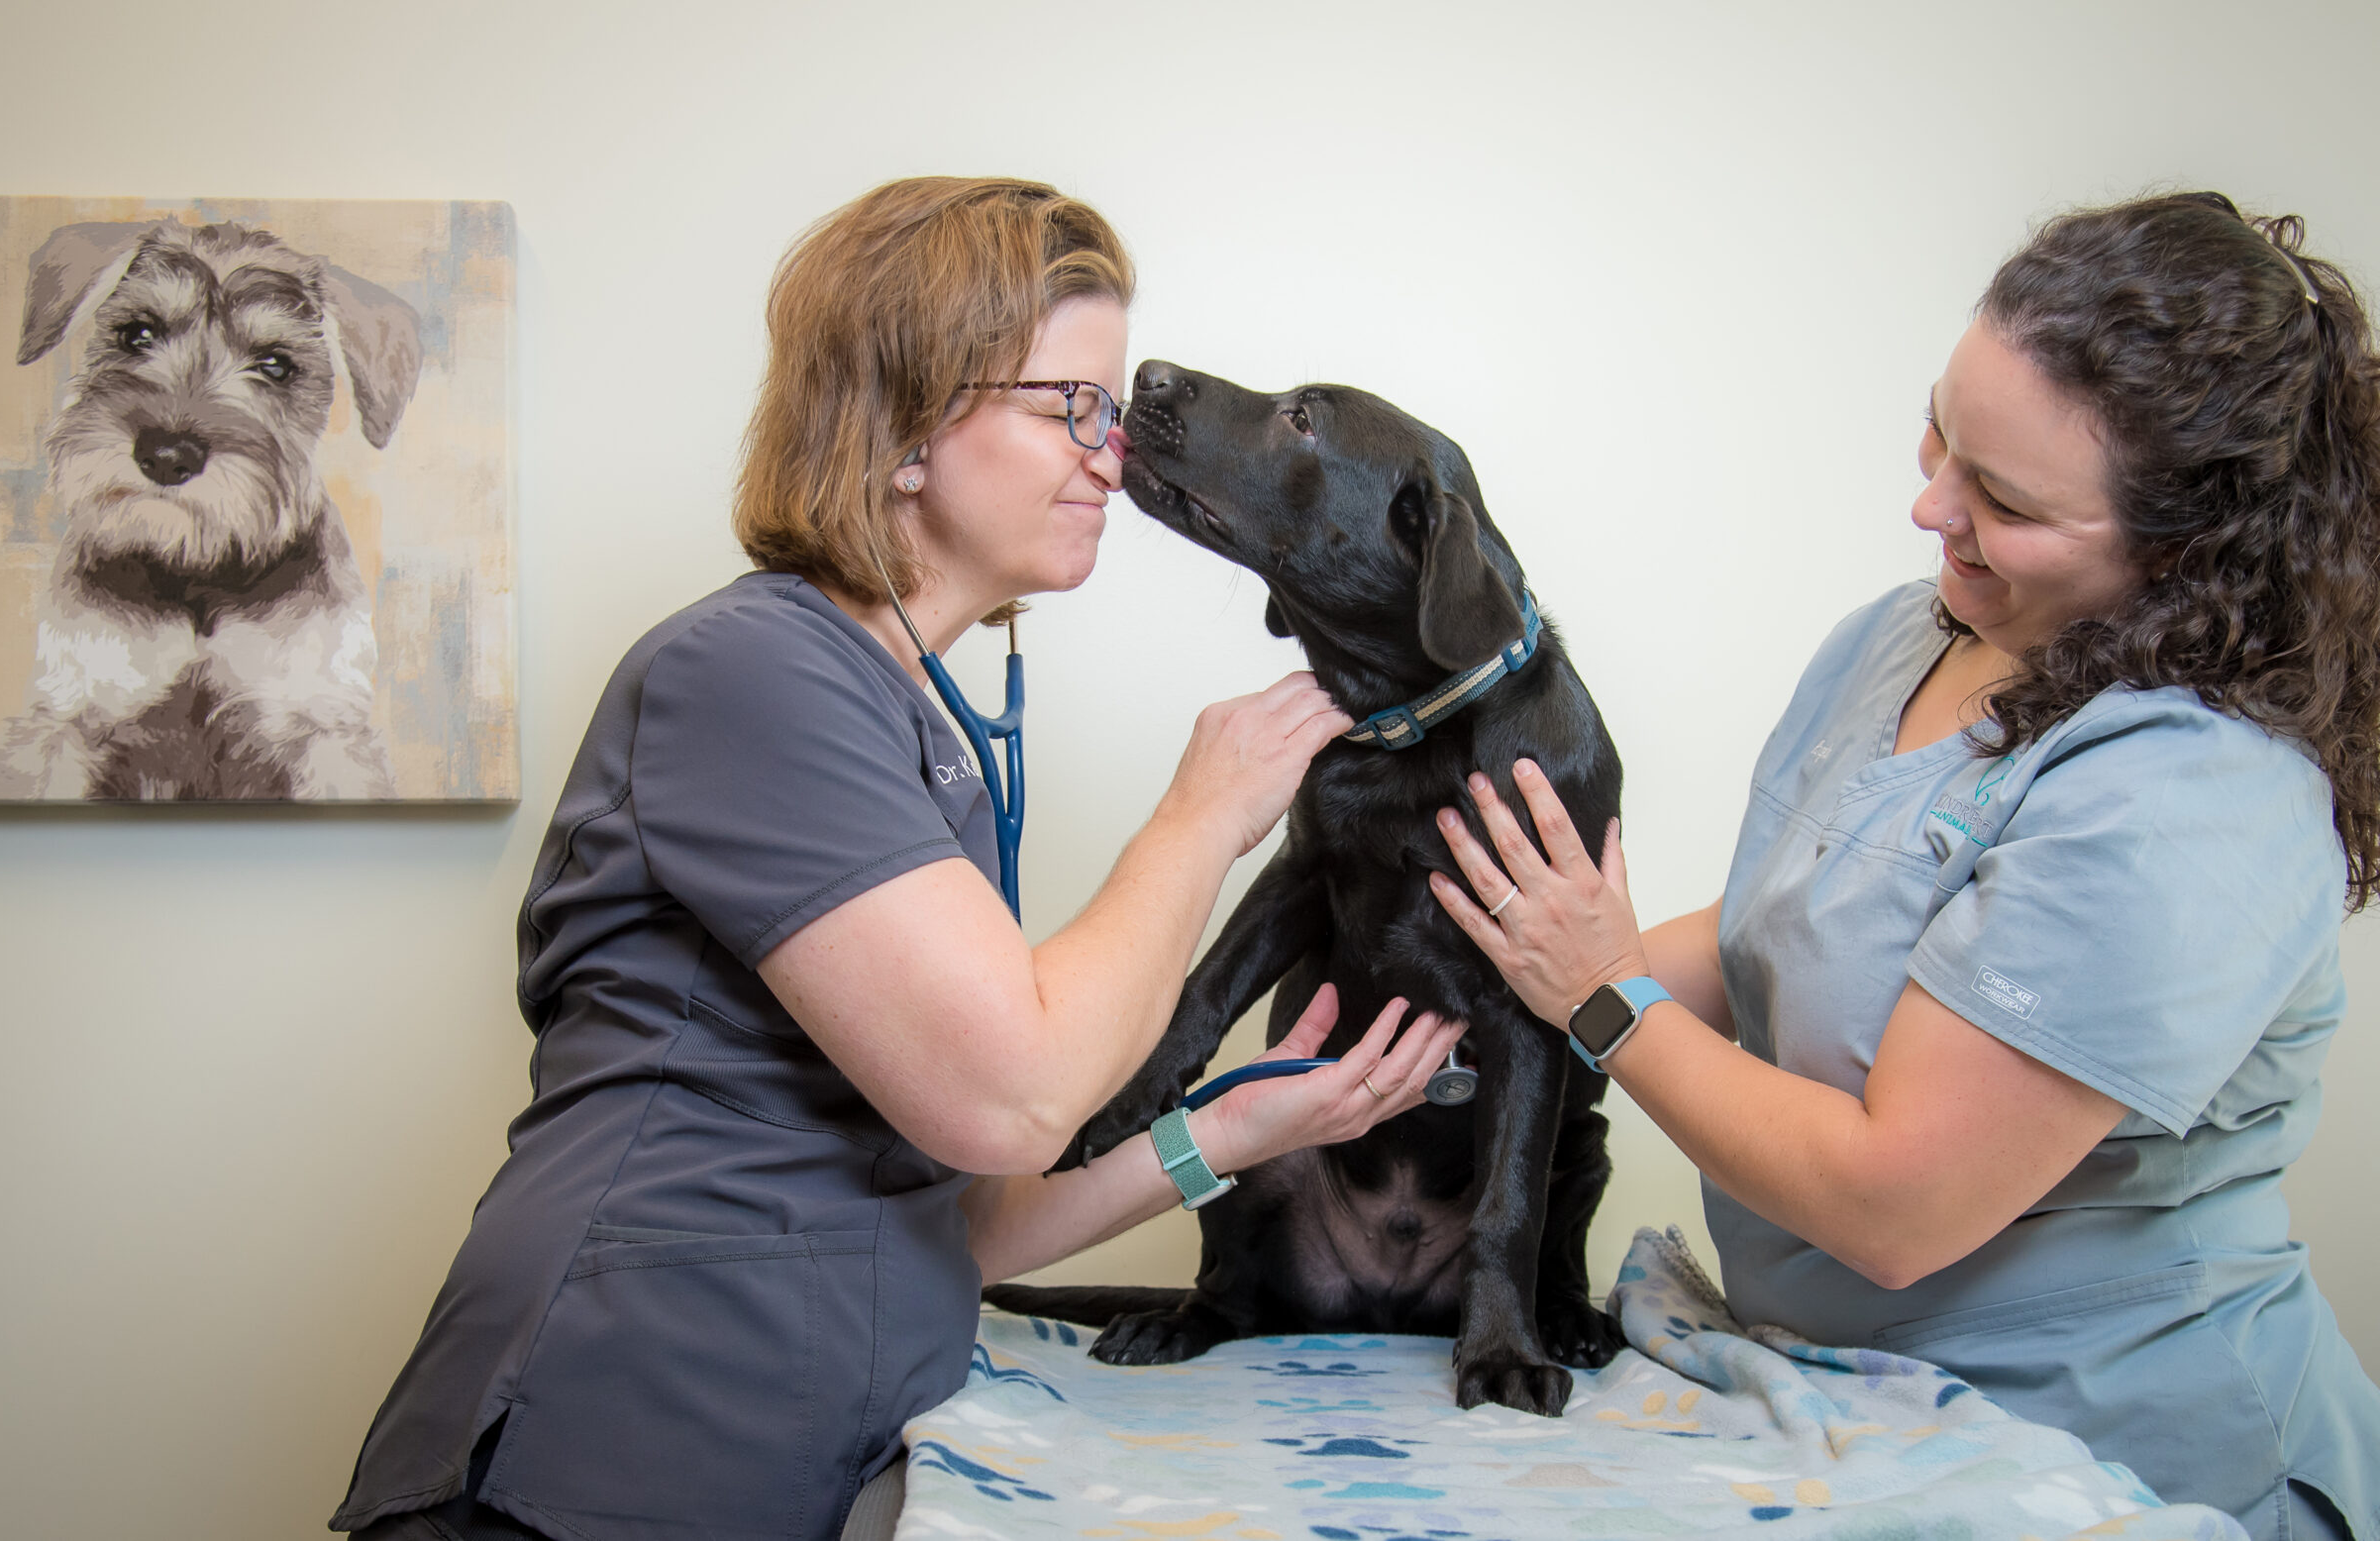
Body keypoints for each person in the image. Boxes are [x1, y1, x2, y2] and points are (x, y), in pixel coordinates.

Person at [329, 176, 1468, 1541]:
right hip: (604, 1452)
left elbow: (957, 1228)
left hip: (795, 1458)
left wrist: (1240, 1128)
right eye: (1073, 409)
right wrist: (1203, 816)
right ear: (908, 425)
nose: (1113, 458)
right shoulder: (744, 674)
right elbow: (1015, 1099)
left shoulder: (905, 724)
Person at [1426, 191, 2380, 1540]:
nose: (1930, 502)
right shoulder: (1898, 638)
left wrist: (1598, 996)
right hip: (1852, 1396)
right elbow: (1774, 934)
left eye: (2003, 498)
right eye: (1944, 428)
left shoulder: (2198, 794)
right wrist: (1503, 976)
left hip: (2097, 1454)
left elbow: (1896, 1205)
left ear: (2185, 546)